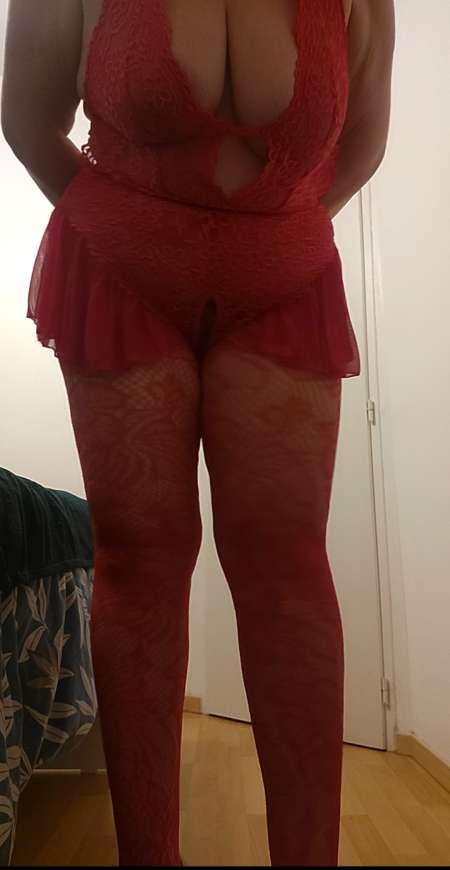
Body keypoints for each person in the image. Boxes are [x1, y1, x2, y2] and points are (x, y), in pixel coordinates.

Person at [1, 0, 395, 865]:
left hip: (283, 280)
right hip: (121, 274)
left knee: (288, 570)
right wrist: (128, 232)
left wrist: (275, 232)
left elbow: (364, 140)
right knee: (139, 560)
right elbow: (26, 119)